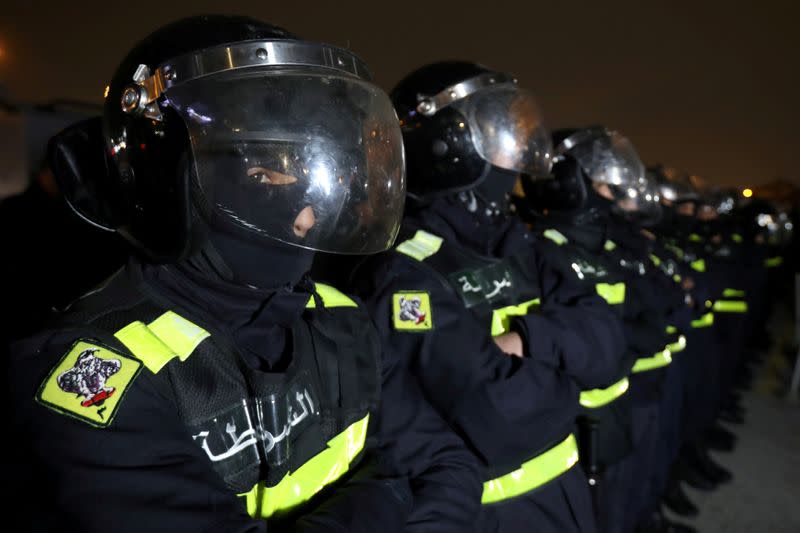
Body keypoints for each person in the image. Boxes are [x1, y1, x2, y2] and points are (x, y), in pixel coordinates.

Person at [9, 16, 482, 532]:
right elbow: (413, 479)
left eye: (313, 170)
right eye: (265, 174)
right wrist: (388, 494)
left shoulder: (339, 317)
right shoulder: (93, 377)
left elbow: (447, 467)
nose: (309, 214)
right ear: (169, 183)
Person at [342, 61, 626, 532]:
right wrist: (570, 372)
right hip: (499, 515)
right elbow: (500, 417)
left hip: (568, 498)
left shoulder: (516, 241)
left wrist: (530, 337)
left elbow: (611, 342)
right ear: (447, 146)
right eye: (498, 140)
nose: (513, 160)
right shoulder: (404, 272)